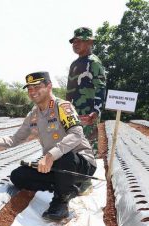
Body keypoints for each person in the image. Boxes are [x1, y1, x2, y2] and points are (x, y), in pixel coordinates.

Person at [0, 72, 96, 221]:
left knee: (66, 157)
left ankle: (61, 201)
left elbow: (77, 134)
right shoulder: (33, 114)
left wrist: (51, 155)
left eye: (37, 87)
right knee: (18, 176)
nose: (32, 92)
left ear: (49, 86)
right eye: (29, 89)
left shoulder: (62, 107)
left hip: (79, 162)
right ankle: (68, 186)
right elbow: (16, 138)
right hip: (55, 165)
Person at [66, 27, 106, 195]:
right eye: (73, 41)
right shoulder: (75, 64)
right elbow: (70, 89)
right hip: (74, 112)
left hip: (87, 112)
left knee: (87, 144)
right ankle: (75, 177)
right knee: (73, 144)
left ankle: (86, 181)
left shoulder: (93, 62)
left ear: (90, 42)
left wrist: (96, 111)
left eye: (79, 40)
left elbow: (101, 87)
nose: (75, 44)